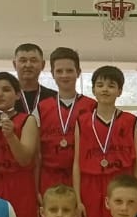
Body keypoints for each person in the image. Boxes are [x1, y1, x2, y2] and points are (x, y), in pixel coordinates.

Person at [73, 66, 137, 217]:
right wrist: (77, 200)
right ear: (93, 90)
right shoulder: (82, 121)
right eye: (100, 85)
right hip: (90, 184)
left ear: (119, 91)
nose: (105, 89)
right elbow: (76, 162)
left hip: (121, 182)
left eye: (111, 86)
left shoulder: (130, 121)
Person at [0, 72, 41, 217]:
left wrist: (11, 136)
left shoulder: (27, 120)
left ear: (17, 95)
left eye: (6, 89)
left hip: (20, 185)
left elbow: (25, 159)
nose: (0, 94)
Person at [38, 47, 96, 191]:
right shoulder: (41, 107)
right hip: (49, 178)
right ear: (52, 74)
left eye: (69, 70)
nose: (64, 75)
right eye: (59, 71)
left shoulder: (92, 106)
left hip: (82, 177)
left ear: (78, 72)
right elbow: (36, 152)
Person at [12, 43, 58, 117]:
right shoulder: (4, 97)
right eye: (23, 61)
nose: (28, 65)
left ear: (43, 65)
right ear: (14, 64)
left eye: (33, 61)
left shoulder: (55, 98)